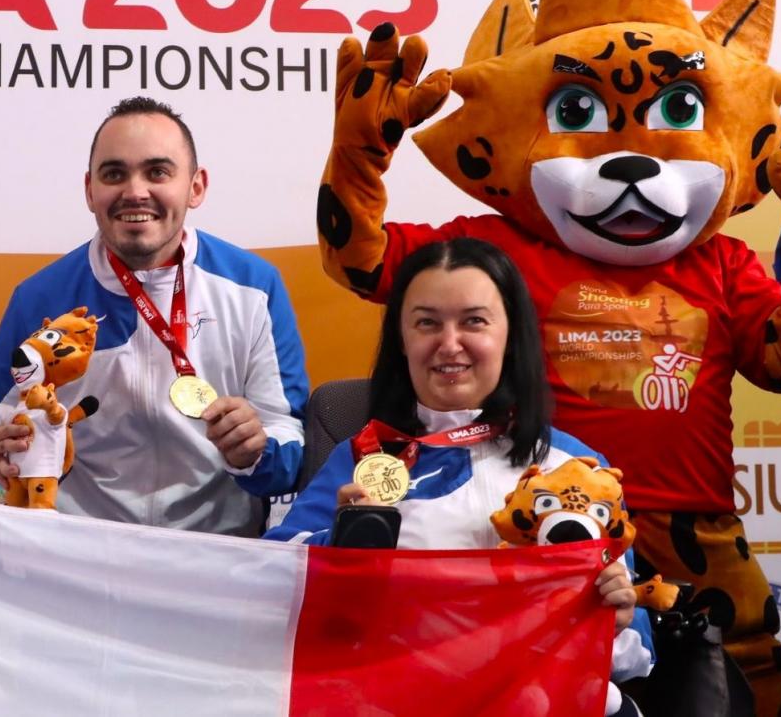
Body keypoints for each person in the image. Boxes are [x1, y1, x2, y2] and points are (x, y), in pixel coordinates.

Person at [266, 238, 651, 716]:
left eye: (474, 321)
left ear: (511, 333)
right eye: (427, 322)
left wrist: (613, 619)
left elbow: (635, 652)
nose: (449, 344)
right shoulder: (365, 457)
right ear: (402, 339)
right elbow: (275, 582)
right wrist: (337, 549)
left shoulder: (578, 468)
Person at [0, 96, 307, 536]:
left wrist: (255, 451)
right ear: (89, 190)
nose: (135, 191)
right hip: (78, 556)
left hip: (218, 559)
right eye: (114, 174)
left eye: (158, 172)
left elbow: (289, 444)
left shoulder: (254, 288)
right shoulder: (40, 298)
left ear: (195, 187)